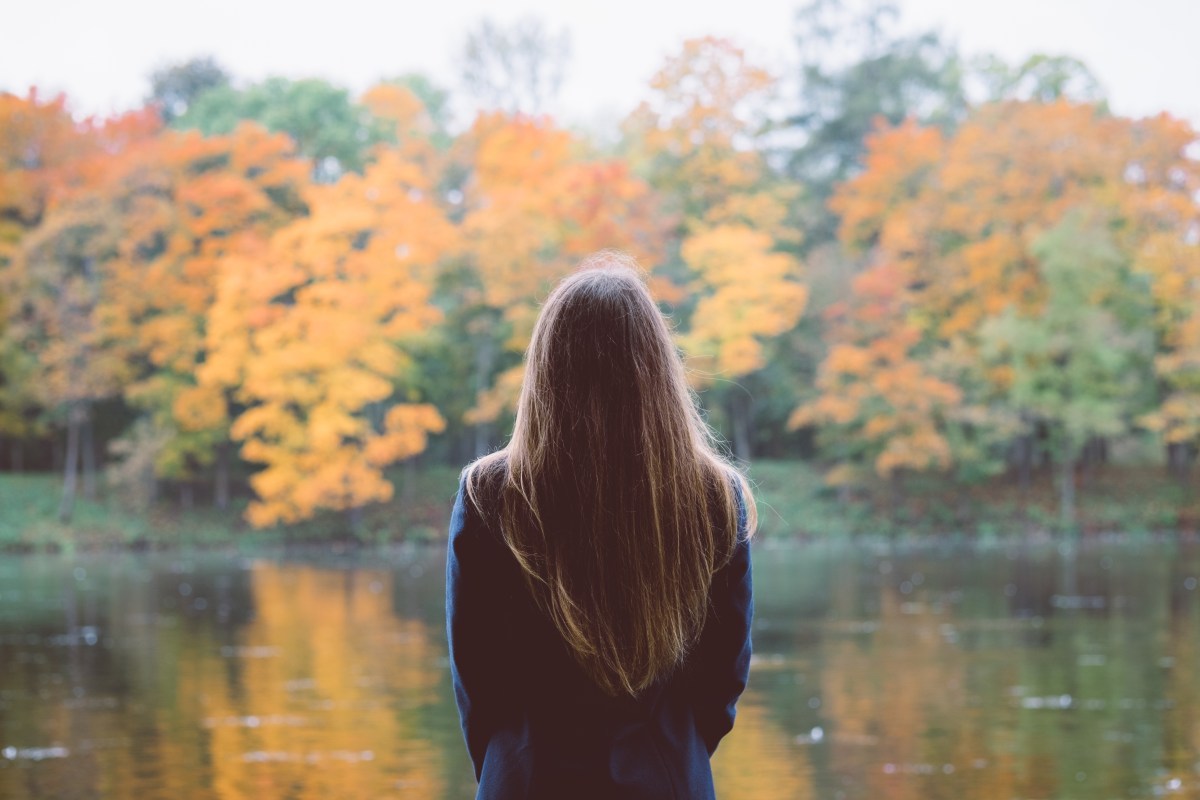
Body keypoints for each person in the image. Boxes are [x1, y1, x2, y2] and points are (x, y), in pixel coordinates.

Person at [445, 252, 756, 799]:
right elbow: (720, 682)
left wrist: (507, 765)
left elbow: (478, 679)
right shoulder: (712, 497)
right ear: (657, 369)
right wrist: (671, 755)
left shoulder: (488, 495)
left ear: (546, 365)